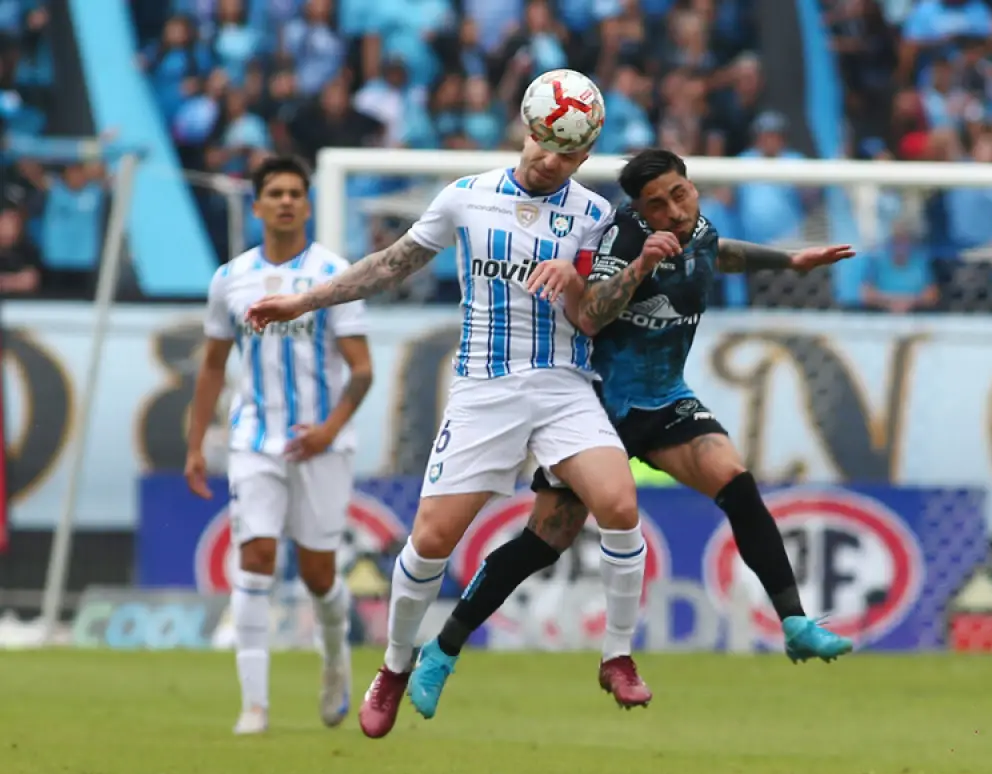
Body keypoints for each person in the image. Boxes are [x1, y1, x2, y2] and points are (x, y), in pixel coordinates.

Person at [406, 148, 857, 720]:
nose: (673, 209)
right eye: (657, 203)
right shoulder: (624, 235)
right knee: (544, 542)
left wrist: (790, 262)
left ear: (690, 185)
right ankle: (442, 652)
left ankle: (794, 622)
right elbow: (590, 312)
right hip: (598, 408)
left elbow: (721, 253)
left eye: (679, 194)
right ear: (639, 209)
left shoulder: (700, 226)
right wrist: (641, 265)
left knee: (735, 482)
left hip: (665, 400)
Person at [243, 132, 654, 739]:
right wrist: (305, 301)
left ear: (584, 158)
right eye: (547, 144)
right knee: (431, 539)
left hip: (564, 382)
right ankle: (394, 664)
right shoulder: (466, 198)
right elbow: (390, 265)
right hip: (484, 389)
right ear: (527, 130)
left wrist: (574, 278)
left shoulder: (595, 216)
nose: (552, 160)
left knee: (619, 504)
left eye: (568, 154)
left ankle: (616, 655)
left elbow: (592, 315)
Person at [185, 154, 374, 735]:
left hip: (322, 443)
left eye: (296, 192)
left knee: (319, 574)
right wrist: (195, 445)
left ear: (308, 205)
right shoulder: (230, 278)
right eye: (277, 193)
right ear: (259, 205)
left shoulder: (337, 274)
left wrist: (328, 431)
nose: (287, 201)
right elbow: (214, 366)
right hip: (254, 440)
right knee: (257, 557)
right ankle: (255, 705)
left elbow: (362, 370)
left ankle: (337, 661)